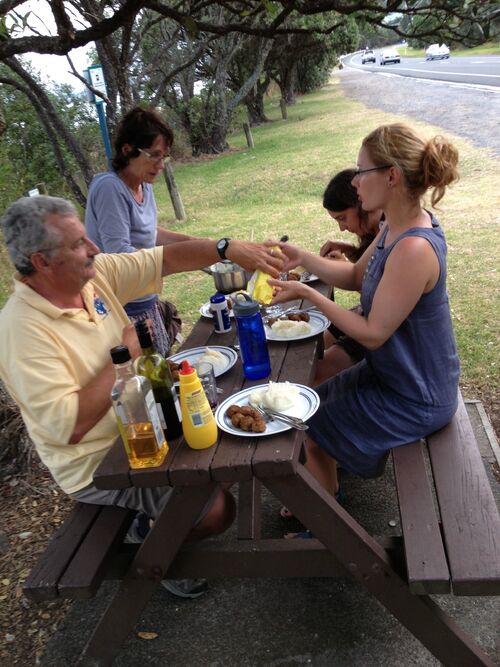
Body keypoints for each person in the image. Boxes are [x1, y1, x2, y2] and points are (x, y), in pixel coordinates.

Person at [0, 195, 283, 594]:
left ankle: (170, 518)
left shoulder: (90, 276)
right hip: (100, 461)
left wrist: (226, 248)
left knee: (232, 443)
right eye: (79, 244)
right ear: (41, 261)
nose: (94, 249)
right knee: (217, 510)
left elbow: (163, 260)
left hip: (148, 418)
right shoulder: (21, 332)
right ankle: (149, 537)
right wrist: (126, 353)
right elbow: (71, 426)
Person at [268, 123, 460, 535]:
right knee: (309, 406)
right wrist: (302, 255)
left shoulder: (413, 247)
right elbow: (356, 274)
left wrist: (308, 293)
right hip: (394, 376)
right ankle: (327, 502)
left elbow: (372, 334)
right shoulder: (395, 225)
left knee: (307, 421)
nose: (355, 182)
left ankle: (326, 528)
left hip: (417, 394)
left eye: (361, 171)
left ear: (391, 176)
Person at [85, 106, 194, 356]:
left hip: (147, 300)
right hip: (122, 311)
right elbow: (119, 254)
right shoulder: (110, 188)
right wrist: (179, 257)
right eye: (154, 155)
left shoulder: (144, 185)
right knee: (146, 383)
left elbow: (149, 233)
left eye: (164, 156)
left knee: (163, 372)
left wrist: (199, 244)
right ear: (127, 150)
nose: (161, 165)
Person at [316, 169, 383, 383]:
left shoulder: (390, 233)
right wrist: (351, 251)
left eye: (343, 218)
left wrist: (346, 268)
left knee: (317, 370)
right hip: (365, 315)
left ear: (361, 202)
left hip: (380, 333)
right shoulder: (378, 229)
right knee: (317, 343)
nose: (342, 228)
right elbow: (369, 265)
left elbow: (376, 290)